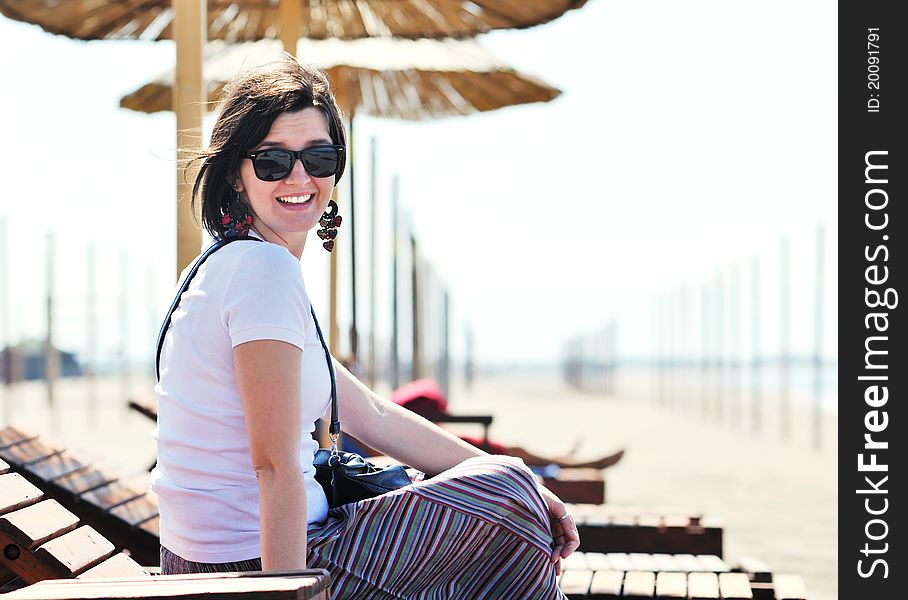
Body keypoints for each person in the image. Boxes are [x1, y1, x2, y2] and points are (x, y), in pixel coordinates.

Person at [150, 54, 578, 599]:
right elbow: (275, 465)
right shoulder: (264, 271)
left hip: (221, 555)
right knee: (508, 505)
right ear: (237, 172)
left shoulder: (224, 265)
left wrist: (518, 475)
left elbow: (370, 414)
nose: (300, 177)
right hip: (260, 562)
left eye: (319, 157)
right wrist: (286, 594)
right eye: (273, 161)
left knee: (509, 483)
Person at [387, 378, 625, 471]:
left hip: (419, 439)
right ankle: (579, 462)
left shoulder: (390, 411)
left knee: (517, 451)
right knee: (516, 453)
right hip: (420, 444)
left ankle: (564, 457)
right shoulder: (393, 416)